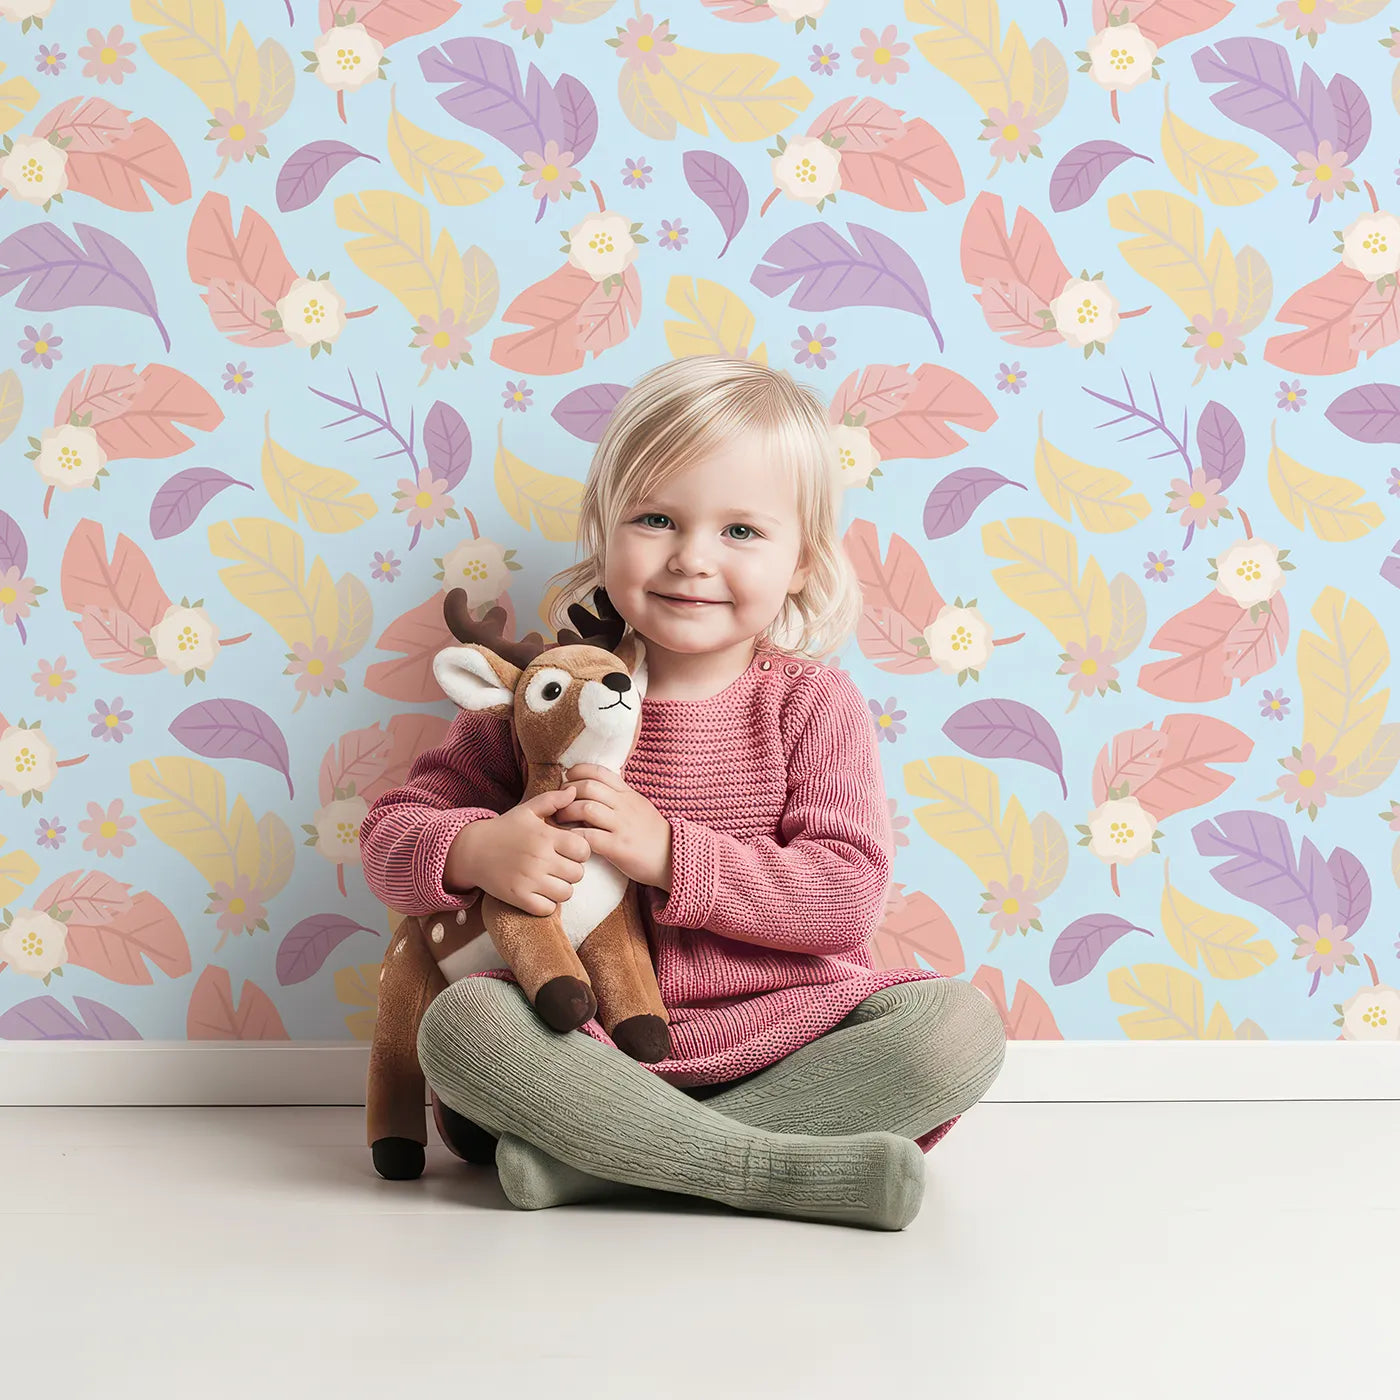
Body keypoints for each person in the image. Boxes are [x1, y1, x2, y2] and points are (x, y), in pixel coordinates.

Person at [360, 355, 1007, 1231]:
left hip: (791, 1039)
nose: (693, 558)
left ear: (803, 564)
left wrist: (669, 852)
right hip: (583, 1046)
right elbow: (394, 833)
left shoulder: (807, 705)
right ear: (605, 530)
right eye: (657, 518)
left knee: (956, 1028)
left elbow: (844, 897)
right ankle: (761, 1167)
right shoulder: (548, 693)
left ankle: (610, 1164)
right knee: (464, 1023)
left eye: (741, 531)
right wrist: (475, 849)